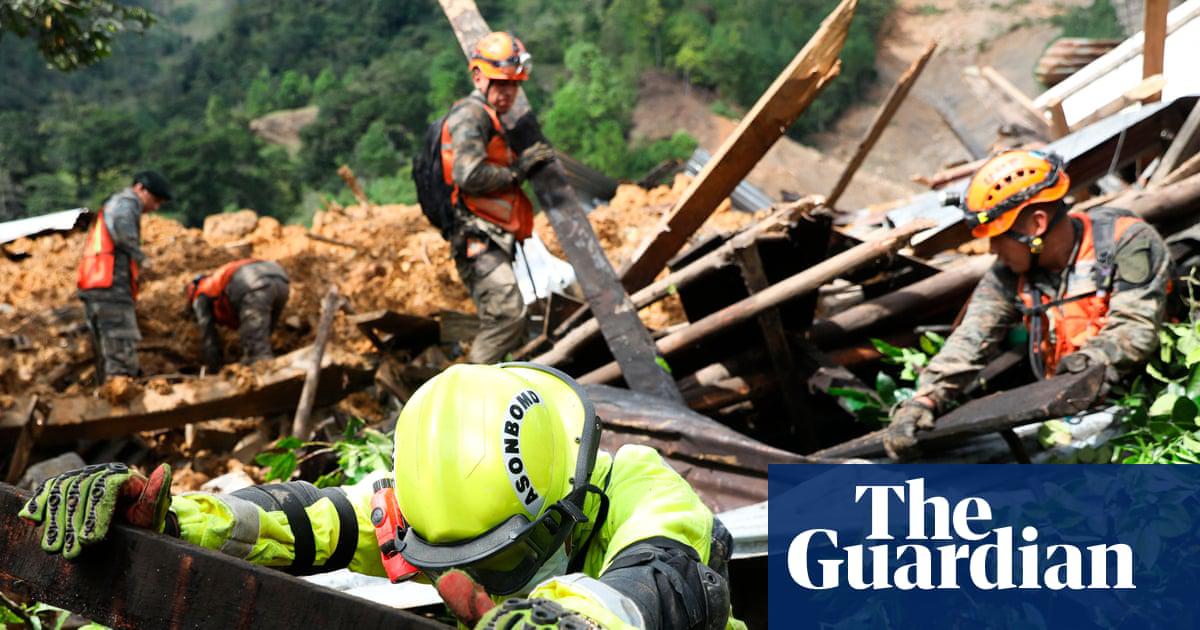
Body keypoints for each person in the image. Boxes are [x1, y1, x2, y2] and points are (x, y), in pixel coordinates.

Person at [20, 363, 740, 629]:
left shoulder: (647, 490)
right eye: (464, 560)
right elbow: (310, 524)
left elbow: (660, 582)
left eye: (502, 554)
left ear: (563, 504)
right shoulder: (434, 511)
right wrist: (172, 518)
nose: (481, 576)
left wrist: (568, 624)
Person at [884, 149, 1171, 460]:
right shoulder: (1010, 274)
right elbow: (970, 339)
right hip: (1061, 411)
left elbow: (1135, 329)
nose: (992, 249)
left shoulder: (1125, 242)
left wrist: (1089, 361)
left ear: (1036, 224)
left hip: (1140, 407)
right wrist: (924, 400)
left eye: (998, 236)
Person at [441, 31, 556, 363]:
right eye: (501, 84)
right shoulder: (470, 115)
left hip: (493, 237)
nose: (508, 92)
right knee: (508, 315)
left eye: (514, 85)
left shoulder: (492, 117)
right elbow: (468, 174)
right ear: (478, 76)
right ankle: (472, 397)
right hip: (476, 238)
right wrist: (518, 172)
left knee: (512, 323)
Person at [76, 170, 172, 383]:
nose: (156, 207)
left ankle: (108, 398)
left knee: (106, 353)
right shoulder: (126, 203)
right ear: (140, 189)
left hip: (98, 285)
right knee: (120, 355)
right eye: (154, 199)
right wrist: (143, 260)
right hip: (110, 287)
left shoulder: (115, 204)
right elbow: (123, 232)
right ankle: (122, 404)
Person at [185, 258, 290, 372]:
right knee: (261, 337)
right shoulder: (216, 281)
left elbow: (209, 338)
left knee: (256, 355)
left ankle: (268, 380)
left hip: (254, 283)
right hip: (280, 278)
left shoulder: (200, 295)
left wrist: (215, 370)